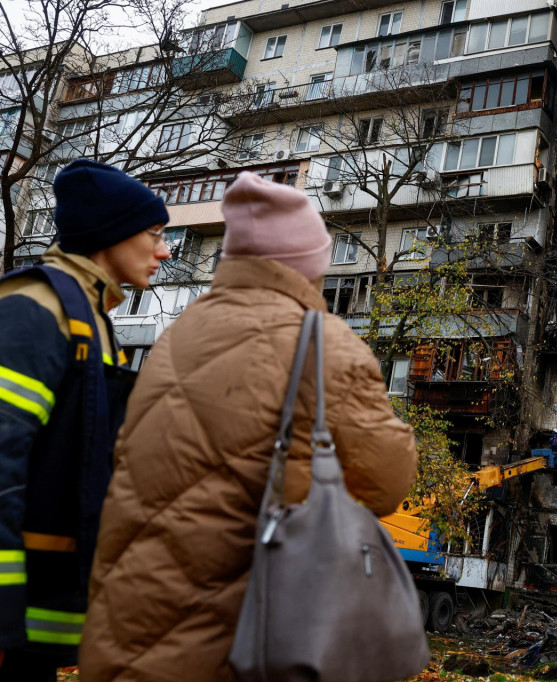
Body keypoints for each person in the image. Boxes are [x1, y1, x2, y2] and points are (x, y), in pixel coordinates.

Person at [79, 172, 419, 682]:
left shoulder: (178, 335)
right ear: (308, 265)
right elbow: (388, 482)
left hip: (131, 626)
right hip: (245, 639)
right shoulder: (324, 344)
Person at [0, 159, 171, 681]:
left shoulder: (90, 315)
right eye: (155, 234)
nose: (165, 251)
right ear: (111, 233)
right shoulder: (35, 306)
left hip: (39, 614)